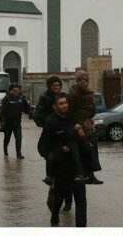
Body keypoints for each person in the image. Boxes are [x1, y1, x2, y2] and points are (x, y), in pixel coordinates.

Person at [38, 94, 88, 227]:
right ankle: (54, 219)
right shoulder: (50, 121)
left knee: (81, 199)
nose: (64, 105)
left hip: (78, 166)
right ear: (55, 107)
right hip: (61, 167)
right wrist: (61, 150)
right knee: (59, 196)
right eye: (61, 103)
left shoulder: (73, 118)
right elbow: (43, 146)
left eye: (65, 102)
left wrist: (82, 133)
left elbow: (84, 141)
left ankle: (81, 226)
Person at [33, 76, 72, 209]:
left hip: (65, 138)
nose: (56, 88)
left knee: (67, 174)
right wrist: (49, 122)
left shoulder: (64, 98)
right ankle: (54, 199)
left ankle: (68, 201)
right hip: (51, 140)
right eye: (54, 86)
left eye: (58, 85)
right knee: (56, 172)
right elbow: (37, 116)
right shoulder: (44, 98)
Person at [67, 71, 103, 185]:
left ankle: (90, 175)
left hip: (87, 123)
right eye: (80, 80)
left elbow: (89, 110)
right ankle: (81, 174)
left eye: (86, 80)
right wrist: (78, 125)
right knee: (85, 149)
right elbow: (71, 112)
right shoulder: (73, 94)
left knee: (92, 148)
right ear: (77, 81)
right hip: (78, 125)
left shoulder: (88, 93)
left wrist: (90, 120)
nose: (84, 82)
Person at [0, 83, 32, 158]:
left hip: (17, 122)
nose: (16, 92)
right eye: (14, 90)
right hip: (7, 123)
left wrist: (30, 112)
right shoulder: (6, 99)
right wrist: (2, 123)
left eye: (17, 90)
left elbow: (26, 108)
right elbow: (2, 112)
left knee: (19, 138)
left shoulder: (21, 98)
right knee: (7, 138)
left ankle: (19, 154)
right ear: (10, 91)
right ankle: (5, 151)